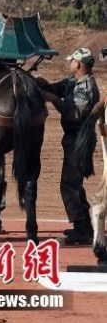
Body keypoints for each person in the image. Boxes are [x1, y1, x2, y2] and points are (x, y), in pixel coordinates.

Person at [37, 47, 100, 245]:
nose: (69, 63)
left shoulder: (87, 89)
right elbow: (60, 87)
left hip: (79, 141)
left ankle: (81, 228)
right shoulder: (75, 81)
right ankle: (85, 226)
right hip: (73, 140)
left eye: (72, 61)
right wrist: (45, 85)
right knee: (75, 184)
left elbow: (72, 113)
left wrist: (53, 99)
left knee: (69, 186)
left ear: (79, 64)